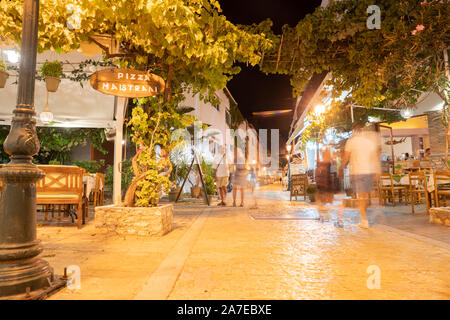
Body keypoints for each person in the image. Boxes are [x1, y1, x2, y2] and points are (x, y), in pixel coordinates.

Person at [340, 124, 381, 229]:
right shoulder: (368, 142)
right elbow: (374, 157)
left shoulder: (351, 141)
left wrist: (341, 168)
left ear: (354, 131)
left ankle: (364, 219)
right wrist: (377, 171)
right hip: (367, 172)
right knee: (365, 196)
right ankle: (364, 218)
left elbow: (346, 157)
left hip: (357, 171)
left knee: (360, 196)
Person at [316, 147, 343, 227]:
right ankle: (339, 220)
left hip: (324, 185)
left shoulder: (321, 163)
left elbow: (318, 175)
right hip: (330, 185)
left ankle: (322, 217)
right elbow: (336, 174)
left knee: (321, 201)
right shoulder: (332, 163)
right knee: (338, 203)